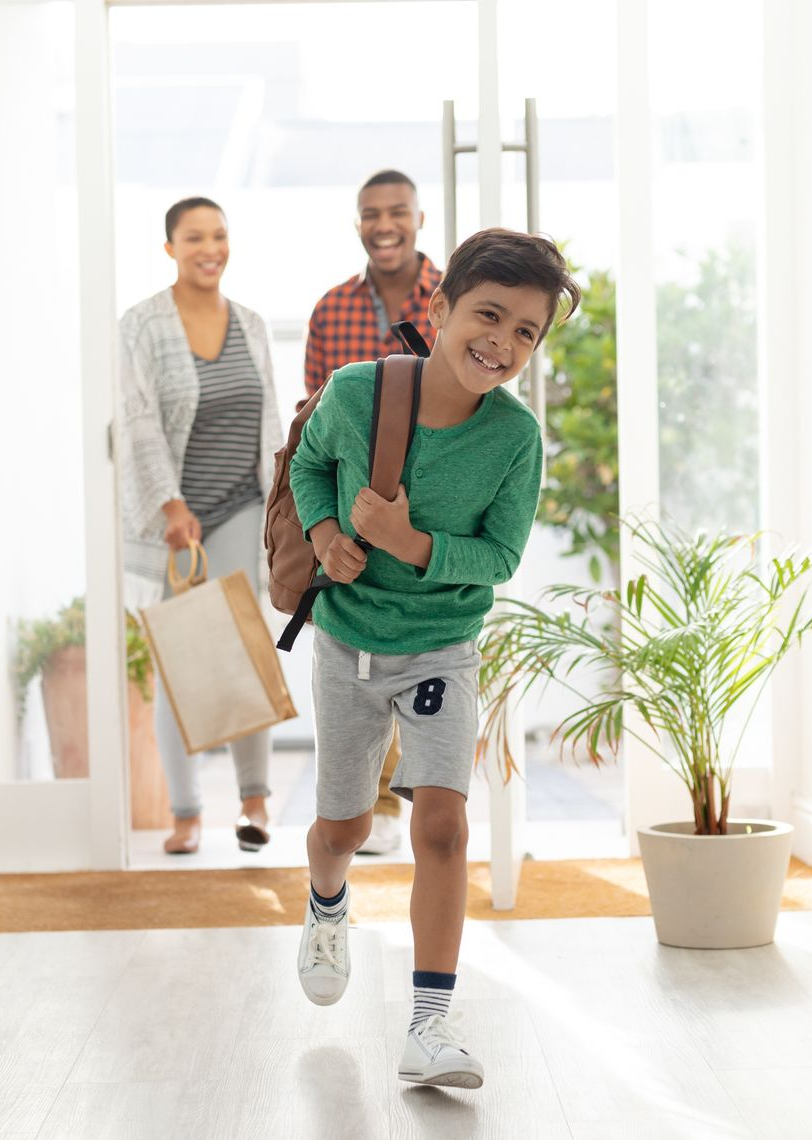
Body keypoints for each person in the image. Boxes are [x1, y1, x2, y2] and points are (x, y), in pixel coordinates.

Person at [290, 228, 580, 1087]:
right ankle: (326, 901)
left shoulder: (515, 440)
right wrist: (329, 534)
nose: (501, 342)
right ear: (440, 307)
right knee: (341, 829)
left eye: (525, 332)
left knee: (444, 827)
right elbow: (309, 468)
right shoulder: (354, 394)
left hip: (441, 652)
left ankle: (428, 1023)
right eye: (487, 315)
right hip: (347, 642)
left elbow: (499, 558)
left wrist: (408, 543)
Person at [119, 197, 283, 856]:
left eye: (218, 235)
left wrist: (280, 508)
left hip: (242, 503)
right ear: (169, 248)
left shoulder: (250, 323)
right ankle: (185, 812)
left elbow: (269, 417)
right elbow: (137, 423)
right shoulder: (140, 325)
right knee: (179, 658)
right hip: (172, 522)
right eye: (194, 238)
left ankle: (254, 803)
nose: (209, 248)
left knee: (245, 649)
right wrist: (169, 505)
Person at [303, 169, 442, 855]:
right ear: (357, 222)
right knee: (355, 654)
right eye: (369, 214)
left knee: (420, 650)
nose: (382, 225)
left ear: (419, 216)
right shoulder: (332, 311)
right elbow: (311, 432)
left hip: (430, 510)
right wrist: (325, 528)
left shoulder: (451, 301)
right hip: (350, 513)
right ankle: (361, 806)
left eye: (396, 212)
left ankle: (401, 804)